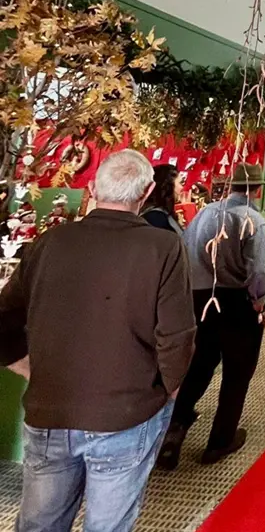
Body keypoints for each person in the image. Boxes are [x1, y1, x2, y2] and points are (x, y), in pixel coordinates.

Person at [0, 149, 196, 532]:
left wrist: (26, 367)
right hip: (126, 413)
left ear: (91, 188)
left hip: (50, 411)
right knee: (107, 526)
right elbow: (177, 334)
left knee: (39, 524)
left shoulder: (48, 243)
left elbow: (3, 319)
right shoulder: (164, 247)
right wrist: (169, 391)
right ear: (147, 191)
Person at [157, 163, 265, 470]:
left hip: (198, 299)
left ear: (230, 187)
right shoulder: (254, 220)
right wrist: (259, 304)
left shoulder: (206, 212)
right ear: (258, 190)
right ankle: (219, 442)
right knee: (237, 373)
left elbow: (185, 248)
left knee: (197, 366)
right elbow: (256, 271)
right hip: (237, 303)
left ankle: (173, 431)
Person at [141, 164, 184, 234]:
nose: (182, 188)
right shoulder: (156, 218)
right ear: (168, 186)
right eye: (180, 183)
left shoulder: (160, 214)